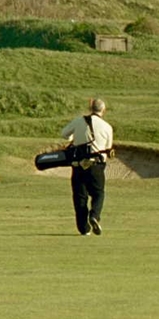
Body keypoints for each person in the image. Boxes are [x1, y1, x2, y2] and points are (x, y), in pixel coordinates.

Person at [59, 98, 115, 236]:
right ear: (103, 110)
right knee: (98, 193)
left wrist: (74, 139)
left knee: (80, 197)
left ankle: (84, 229)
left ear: (90, 108)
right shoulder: (107, 127)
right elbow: (108, 149)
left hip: (78, 165)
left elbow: (64, 134)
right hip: (96, 165)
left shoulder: (79, 121)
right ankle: (94, 216)